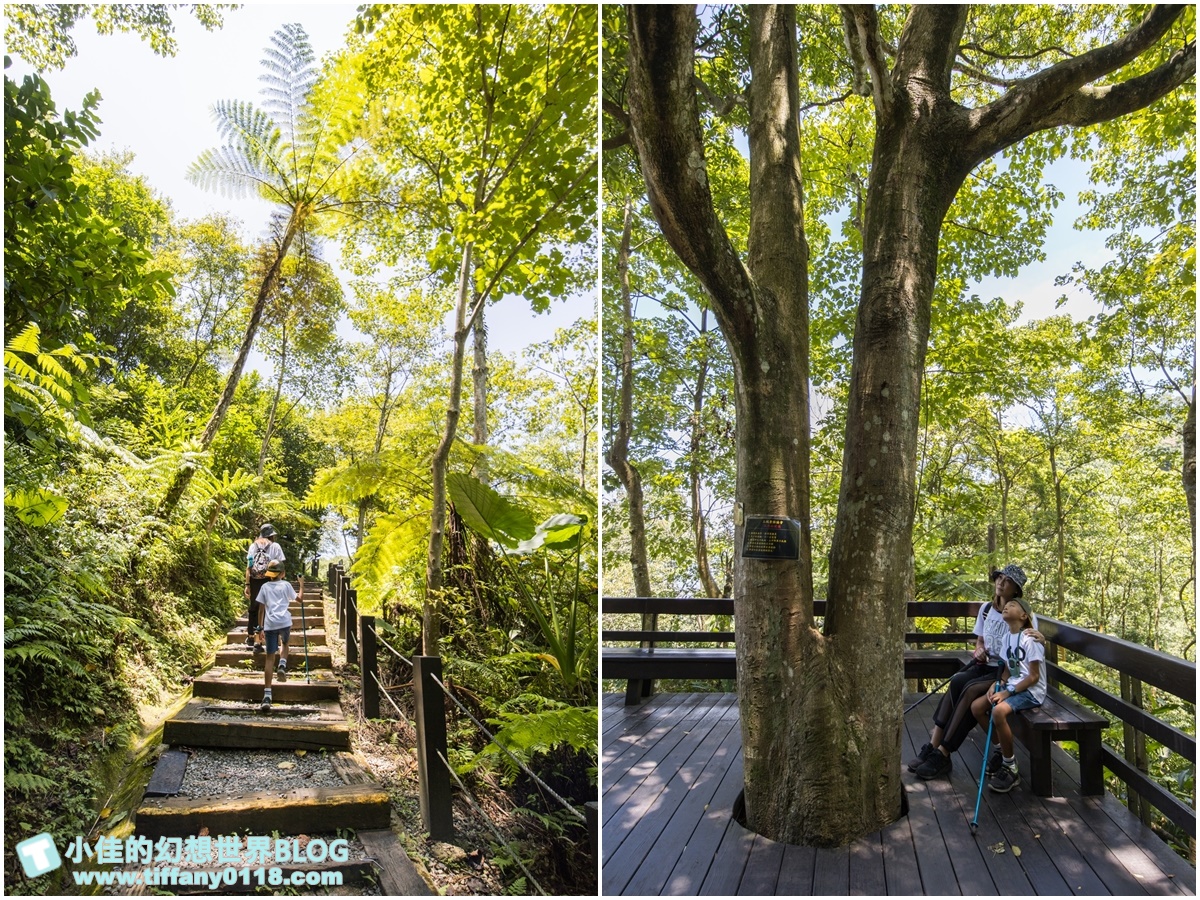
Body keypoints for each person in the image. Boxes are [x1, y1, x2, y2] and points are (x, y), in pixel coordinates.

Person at [908, 564, 1040, 779]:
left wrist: (1042, 638)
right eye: (999, 578)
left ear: (1016, 589)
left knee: (970, 690)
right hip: (983, 665)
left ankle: (944, 752)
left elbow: (1031, 640)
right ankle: (933, 746)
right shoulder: (986, 609)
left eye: (1007, 581)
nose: (1001, 582)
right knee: (957, 680)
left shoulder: (1021, 614)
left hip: (1003, 671)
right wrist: (979, 651)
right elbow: (980, 641)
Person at [971, 592, 1046, 792]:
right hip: (1013, 685)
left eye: (1013, 605)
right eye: (1006, 605)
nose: (1006, 607)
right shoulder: (1007, 637)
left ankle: (1010, 766)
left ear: (1023, 615)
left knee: (998, 711)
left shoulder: (1031, 639)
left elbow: (1033, 677)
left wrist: (1007, 692)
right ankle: (1001, 750)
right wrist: (998, 685)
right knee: (977, 707)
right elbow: (1006, 670)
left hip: (1031, 691)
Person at [256, 559, 295, 711]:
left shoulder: (264, 587)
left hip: (270, 624)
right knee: (285, 643)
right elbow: (298, 599)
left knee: (269, 658)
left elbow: (261, 610)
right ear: (282, 573)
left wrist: (260, 628)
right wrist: (302, 585)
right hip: (284, 622)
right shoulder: (286, 585)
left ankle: (267, 695)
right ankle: (282, 665)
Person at [245, 524, 285, 652]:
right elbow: (280, 566)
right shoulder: (275, 546)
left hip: (254, 580)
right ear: (271, 535)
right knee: (268, 609)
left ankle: (252, 637)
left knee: (254, 608)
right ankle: (267, 641)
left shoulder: (253, 546)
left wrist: (247, 584)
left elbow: (249, 567)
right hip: (270, 579)